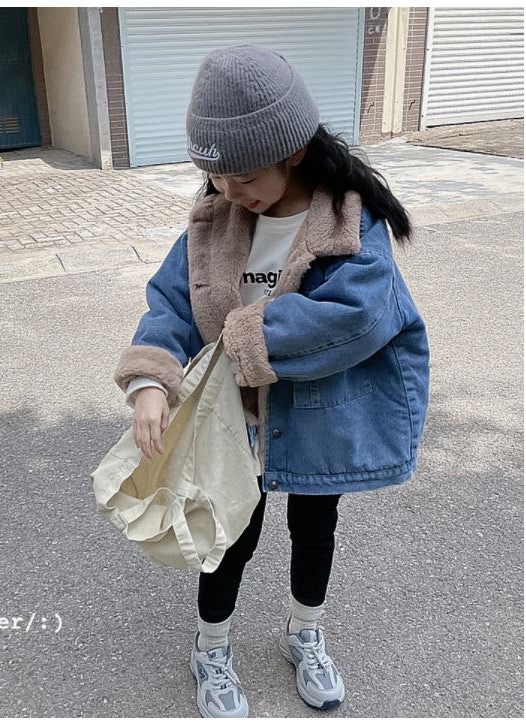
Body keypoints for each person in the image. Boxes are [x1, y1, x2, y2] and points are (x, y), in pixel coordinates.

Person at [114, 45, 430, 717]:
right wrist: (150, 382)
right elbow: (171, 303)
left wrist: (244, 337)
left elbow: (360, 313)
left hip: (318, 415)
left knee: (316, 529)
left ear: (293, 152)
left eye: (242, 175)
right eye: (213, 175)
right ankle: (211, 647)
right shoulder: (214, 221)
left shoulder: (347, 222)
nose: (229, 192)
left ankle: (304, 633)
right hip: (236, 421)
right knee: (228, 536)